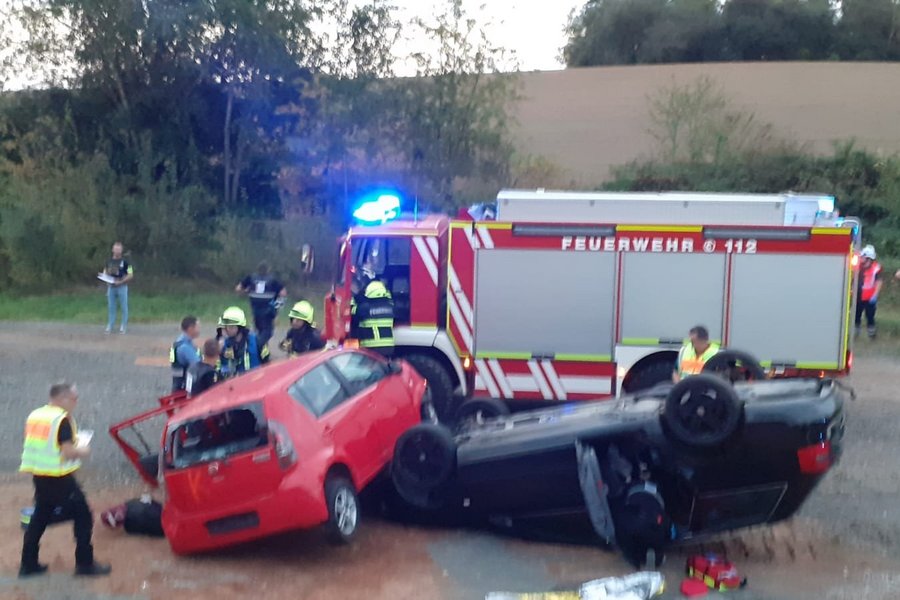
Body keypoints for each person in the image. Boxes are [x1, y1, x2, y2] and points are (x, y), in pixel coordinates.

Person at [19, 382, 111, 578]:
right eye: (74, 399)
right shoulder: (61, 420)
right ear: (62, 398)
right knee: (84, 515)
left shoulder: (36, 415)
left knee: (40, 517)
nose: (76, 403)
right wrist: (84, 450)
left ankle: (28, 563)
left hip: (40, 475)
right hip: (59, 478)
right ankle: (85, 565)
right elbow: (68, 452)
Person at [235, 262, 287, 348]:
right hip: (269, 310)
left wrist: (247, 292)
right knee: (267, 332)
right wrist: (279, 308)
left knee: (259, 331)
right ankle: (256, 347)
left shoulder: (251, 277)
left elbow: (238, 288)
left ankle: (261, 351)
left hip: (255, 310)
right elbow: (283, 293)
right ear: (269, 269)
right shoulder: (273, 280)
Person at [217, 306, 270, 378]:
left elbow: (267, 365)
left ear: (240, 327)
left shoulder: (258, 341)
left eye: (231, 327)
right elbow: (223, 368)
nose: (228, 330)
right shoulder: (225, 345)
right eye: (226, 326)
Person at [350, 274, 395, 358]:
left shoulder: (365, 308)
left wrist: (354, 296)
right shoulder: (390, 306)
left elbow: (352, 313)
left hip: (371, 348)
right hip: (389, 347)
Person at [103, 242, 133, 334]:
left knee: (124, 306)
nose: (117, 251)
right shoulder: (108, 261)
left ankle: (123, 326)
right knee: (111, 307)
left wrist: (121, 281)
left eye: (119, 249)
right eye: (115, 249)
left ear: (121, 250)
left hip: (122, 286)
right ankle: (110, 325)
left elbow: (131, 274)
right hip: (111, 287)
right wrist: (106, 279)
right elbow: (105, 270)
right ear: (112, 250)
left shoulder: (127, 262)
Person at [855, 245, 883, 339]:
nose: (861, 258)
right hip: (858, 297)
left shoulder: (876, 268)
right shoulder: (857, 266)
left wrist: (875, 295)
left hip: (870, 298)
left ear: (868, 258)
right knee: (856, 317)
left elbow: (879, 282)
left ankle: (872, 336)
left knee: (870, 317)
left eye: (863, 257)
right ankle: (855, 335)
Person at [170, 316, 201, 392]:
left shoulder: (179, 342)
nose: (199, 330)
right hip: (184, 389)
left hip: (178, 385)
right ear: (190, 329)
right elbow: (199, 365)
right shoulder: (185, 347)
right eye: (198, 327)